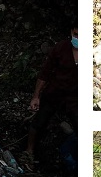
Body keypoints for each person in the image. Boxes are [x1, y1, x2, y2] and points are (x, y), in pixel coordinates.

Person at [26, 25, 78, 162]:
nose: (78, 39)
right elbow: (45, 72)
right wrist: (36, 96)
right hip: (55, 92)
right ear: (71, 32)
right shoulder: (61, 48)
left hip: (74, 98)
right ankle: (29, 151)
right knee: (39, 122)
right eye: (76, 34)